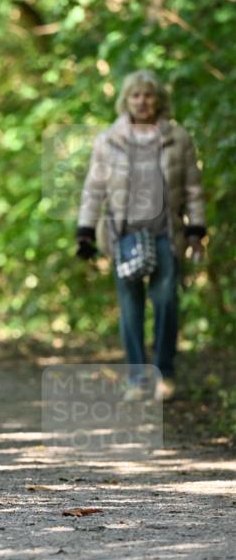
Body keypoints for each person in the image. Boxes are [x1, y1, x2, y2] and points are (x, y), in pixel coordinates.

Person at [76, 69, 206, 401]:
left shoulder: (179, 138)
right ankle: (136, 378)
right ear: (126, 100)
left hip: (166, 233)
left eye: (148, 95)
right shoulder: (108, 140)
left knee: (166, 302)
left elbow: (193, 188)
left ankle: (165, 374)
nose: (142, 101)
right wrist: (85, 232)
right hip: (124, 236)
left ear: (158, 100)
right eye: (136, 95)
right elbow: (94, 189)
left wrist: (196, 229)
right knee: (131, 308)